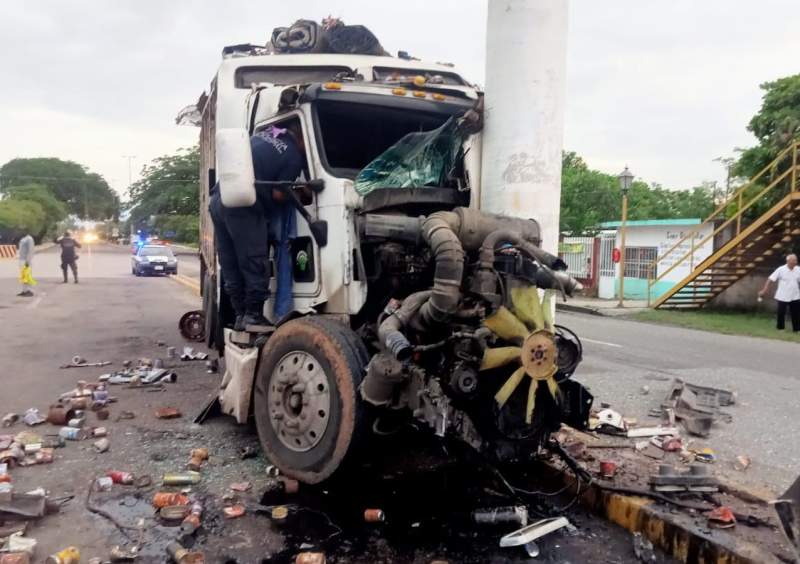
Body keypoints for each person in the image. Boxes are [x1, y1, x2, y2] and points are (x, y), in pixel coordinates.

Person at [209, 122, 305, 331]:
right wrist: (300, 193)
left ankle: (240, 315)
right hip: (244, 204)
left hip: (219, 198)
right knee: (254, 261)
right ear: (303, 136)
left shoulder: (264, 135)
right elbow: (279, 194)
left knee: (231, 263)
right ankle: (253, 316)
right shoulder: (294, 155)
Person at [758, 253, 800, 331]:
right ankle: (780, 328)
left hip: (795, 295)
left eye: (796, 260)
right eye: (794, 260)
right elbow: (770, 279)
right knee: (781, 313)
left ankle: (796, 329)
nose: (796, 262)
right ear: (788, 261)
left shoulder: (798, 269)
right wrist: (765, 289)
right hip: (782, 295)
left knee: (796, 313)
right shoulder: (781, 269)